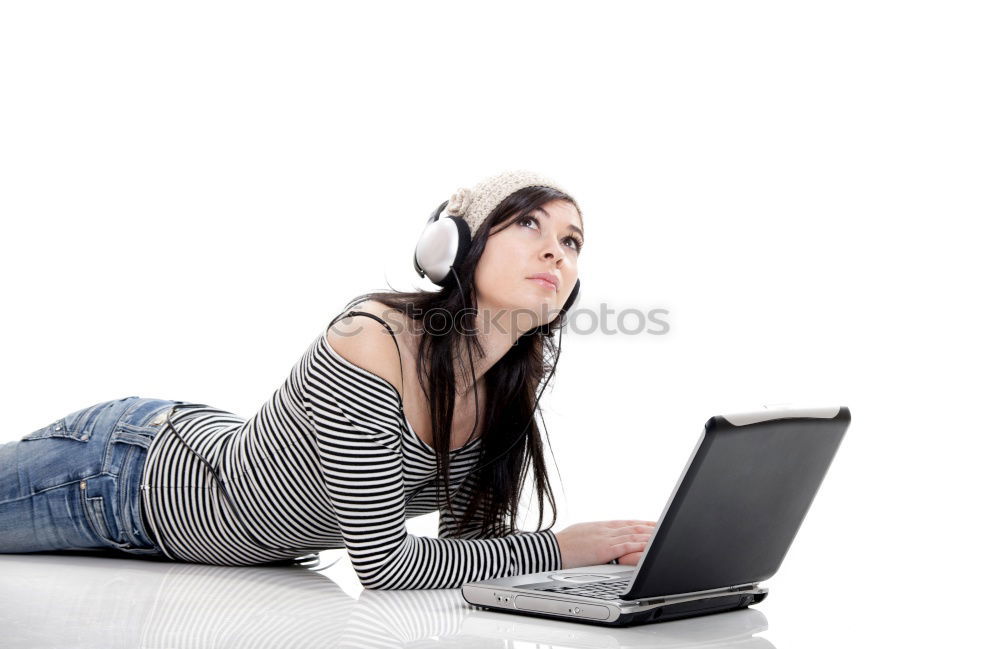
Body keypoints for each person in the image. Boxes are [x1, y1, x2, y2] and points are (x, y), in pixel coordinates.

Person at [0, 169, 656, 589]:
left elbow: (472, 555)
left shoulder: (505, 391)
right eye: (528, 224)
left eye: (572, 242)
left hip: (185, 548)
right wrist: (561, 548)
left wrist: (596, 568)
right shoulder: (372, 338)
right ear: (456, 245)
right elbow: (387, 565)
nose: (555, 250)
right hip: (119, 476)